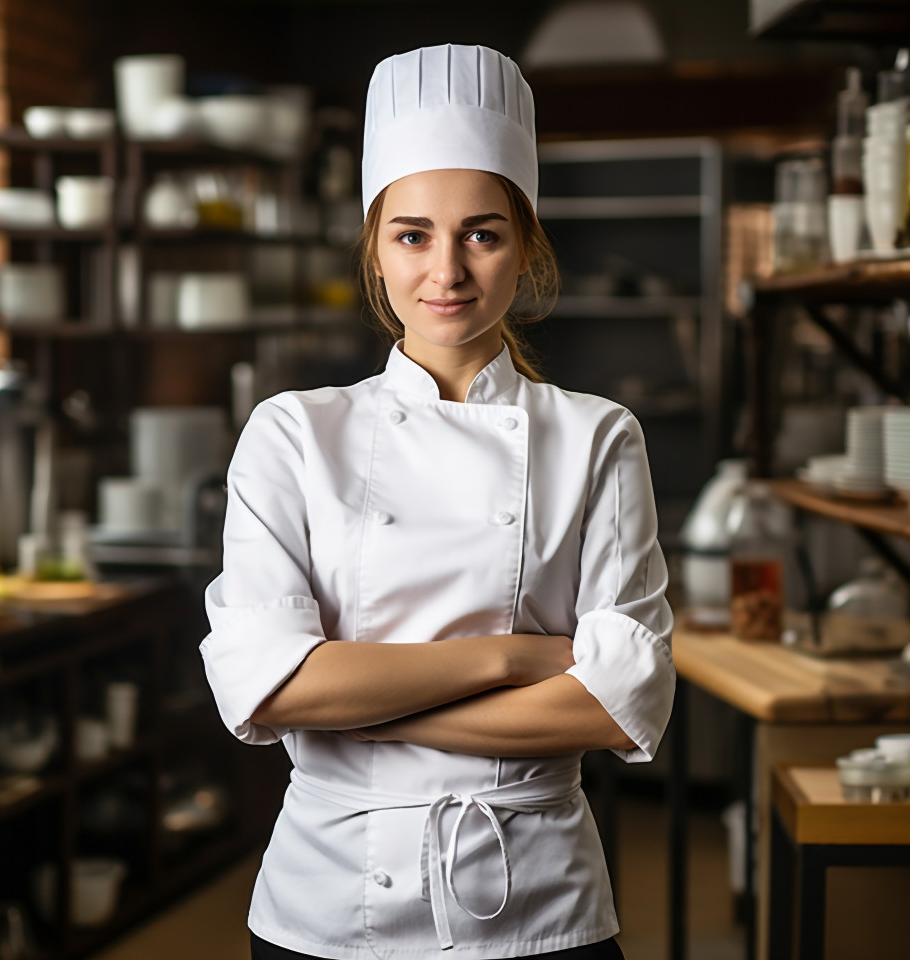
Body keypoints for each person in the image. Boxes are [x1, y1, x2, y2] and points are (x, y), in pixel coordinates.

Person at [200, 43, 675, 960]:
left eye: (483, 234)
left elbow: (618, 705)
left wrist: (351, 702)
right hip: (328, 904)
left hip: (539, 902)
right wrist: (513, 659)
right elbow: (269, 682)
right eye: (412, 234)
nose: (446, 271)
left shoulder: (598, 435)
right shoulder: (293, 433)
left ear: (525, 245)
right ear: (375, 251)